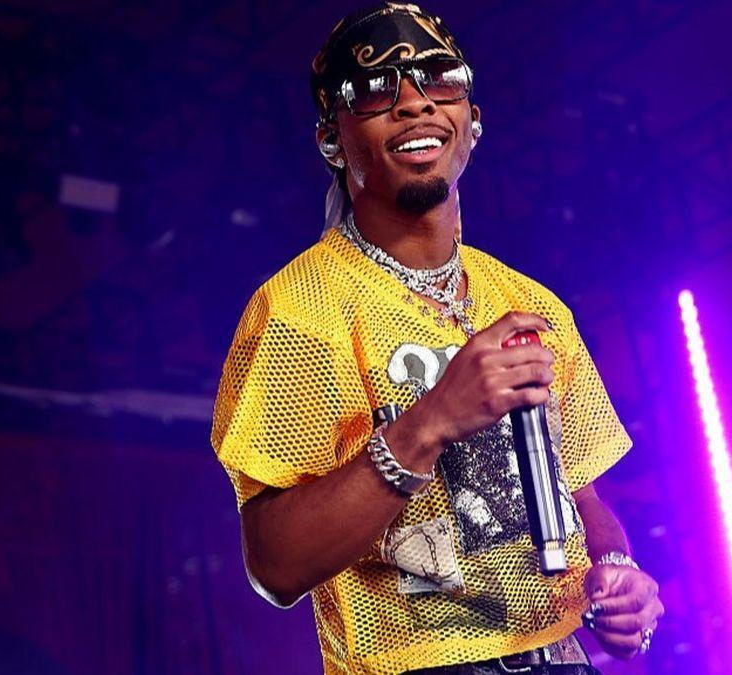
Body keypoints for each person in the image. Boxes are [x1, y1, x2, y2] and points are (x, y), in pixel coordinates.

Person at [210, 4, 664, 673]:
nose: (414, 102)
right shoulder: (299, 310)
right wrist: (431, 422)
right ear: (332, 139)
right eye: (375, 91)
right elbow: (274, 565)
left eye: (439, 79)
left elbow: (583, 492)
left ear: (471, 121)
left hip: (565, 659)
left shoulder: (532, 304)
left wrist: (617, 570)